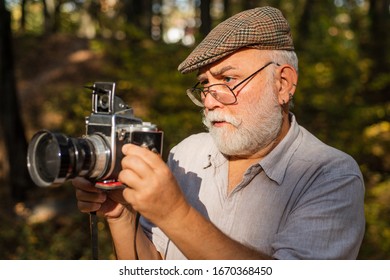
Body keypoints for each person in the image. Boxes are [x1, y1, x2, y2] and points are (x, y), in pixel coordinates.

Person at [73, 6, 365, 260]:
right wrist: (122, 215)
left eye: (228, 78)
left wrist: (175, 214)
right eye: (204, 85)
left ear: (283, 84)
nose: (210, 99)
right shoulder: (187, 153)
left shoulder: (329, 174)